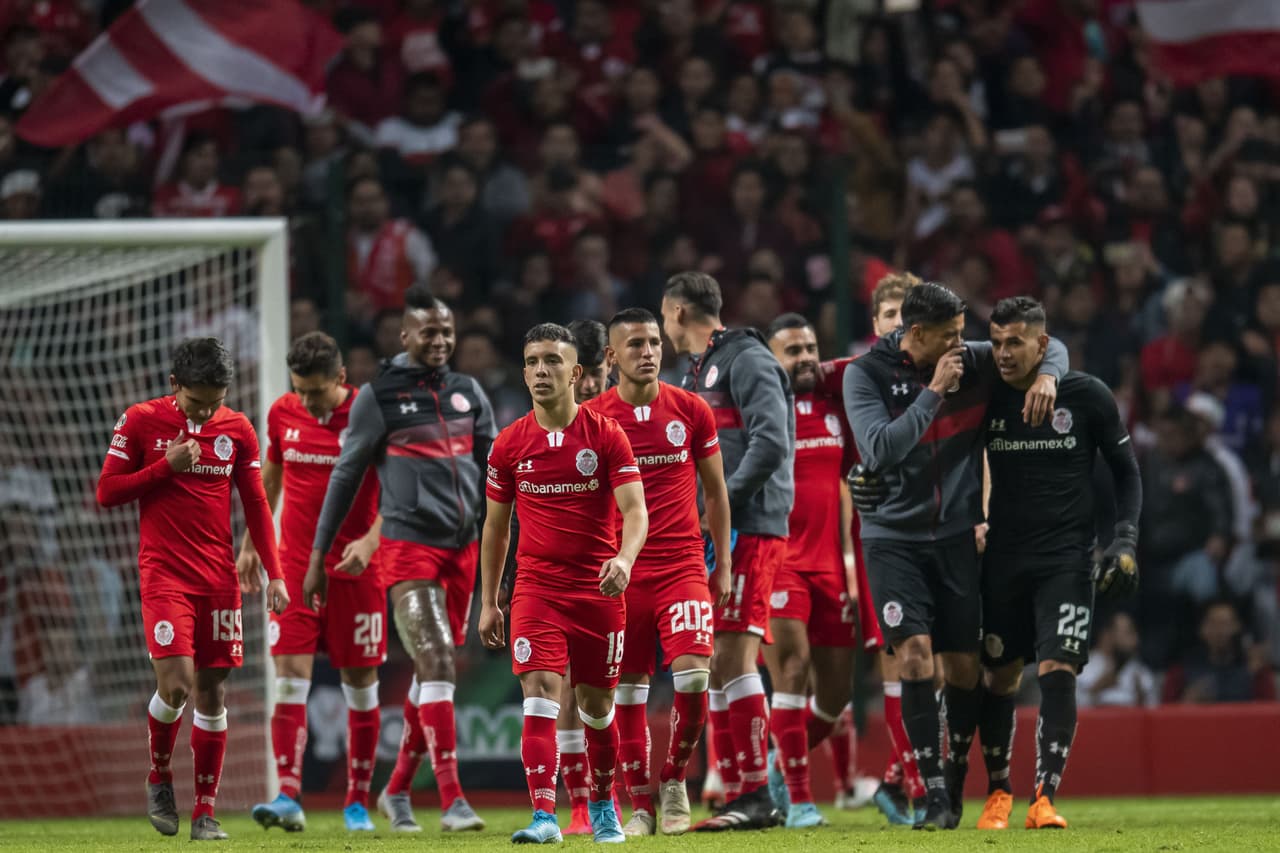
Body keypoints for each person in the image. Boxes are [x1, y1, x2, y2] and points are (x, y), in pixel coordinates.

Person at [844, 282, 1066, 829]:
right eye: (949, 336)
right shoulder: (865, 375)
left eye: (962, 334)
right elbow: (878, 450)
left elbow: (1048, 344)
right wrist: (933, 393)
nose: (960, 345)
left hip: (956, 539)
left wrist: (1048, 375)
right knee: (916, 656)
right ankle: (935, 795)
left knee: (964, 670)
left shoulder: (973, 359)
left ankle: (953, 778)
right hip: (891, 539)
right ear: (916, 334)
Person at [310, 286, 494, 833]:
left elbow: (497, 469)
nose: (439, 341)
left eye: (446, 332)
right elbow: (346, 475)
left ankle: (394, 791)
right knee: (436, 659)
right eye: (428, 332)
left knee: (432, 674)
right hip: (408, 546)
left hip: (464, 548)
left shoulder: (468, 392)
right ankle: (453, 799)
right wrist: (319, 552)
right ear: (406, 336)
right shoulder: (378, 396)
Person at [97, 337, 289, 841]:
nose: (206, 410)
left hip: (218, 577)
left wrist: (276, 573)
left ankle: (205, 812)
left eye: (216, 400)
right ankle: (159, 776)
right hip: (164, 575)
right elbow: (106, 491)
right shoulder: (140, 420)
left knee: (213, 690)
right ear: (174, 385)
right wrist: (164, 468)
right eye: (197, 399)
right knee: (177, 683)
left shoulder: (238, 429)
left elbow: (256, 504)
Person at [975, 296, 1142, 831]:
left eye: (1015, 343)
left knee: (1058, 670)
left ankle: (1043, 796)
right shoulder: (985, 394)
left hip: (1067, 558)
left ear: (1042, 345)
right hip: (1000, 558)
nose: (1003, 353)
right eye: (996, 342)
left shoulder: (1087, 396)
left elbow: (1127, 472)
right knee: (998, 676)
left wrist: (1125, 539)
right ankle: (998, 791)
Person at [478, 322, 649, 844]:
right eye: (531, 362)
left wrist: (624, 558)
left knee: (597, 710)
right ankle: (544, 816)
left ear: (576, 373)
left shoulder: (605, 435)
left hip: (597, 592)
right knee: (539, 694)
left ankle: (602, 805)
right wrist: (490, 601)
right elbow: (495, 527)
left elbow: (636, 510)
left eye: (551, 361)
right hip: (537, 591)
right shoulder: (508, 444)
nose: (540, 371)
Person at [584, 308, 733, 835]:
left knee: (695, 677)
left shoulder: (691, 409)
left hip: (683, 564)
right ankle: (640, 801)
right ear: (611, 357)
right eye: (634, 345)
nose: (647, 352)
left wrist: (724, 565)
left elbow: (715, 492)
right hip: (621, 575)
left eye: (653, 342)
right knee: (627, 691)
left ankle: (673, 780)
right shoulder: (594, 420)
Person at [661, 271, 794, 831]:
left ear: (676, 312)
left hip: (752, 526)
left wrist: (720, 504)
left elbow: (771, 442)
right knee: (717, 659)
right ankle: (737, 788)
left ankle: (759, 794)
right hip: (721, 529)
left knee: (736, 656)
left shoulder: (748, 359)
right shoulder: (702, 369)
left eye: (663, 317)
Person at [243, 333, 385, 833]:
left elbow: (402, 491)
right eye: (300, 390)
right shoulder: (283, 413)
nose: (306, 401)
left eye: (316, 392)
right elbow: (271, 482)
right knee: (288, 680)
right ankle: (287, 795)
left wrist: (371, 541)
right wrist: (249, 545)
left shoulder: (372, 415)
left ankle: (357, 802)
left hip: (357, 568)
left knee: (361, 685)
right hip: (295, 567)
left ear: (341, 380)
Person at [815, 272, 927, 825]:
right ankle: (908, 782)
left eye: (908, 316)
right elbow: (797, 375)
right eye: (889, 316)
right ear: (876, 324)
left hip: (944, 523)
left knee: (944, 659)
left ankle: (898, 778)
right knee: (896, 655)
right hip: (878, 531)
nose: (899, 325)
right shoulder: (856, 374)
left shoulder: (944, 367)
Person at [763, 313, 858, 829]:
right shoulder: (762, 412)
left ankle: (776, 766)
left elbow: (848, 490)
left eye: (809, 348)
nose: (803, 358)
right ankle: (799, 799)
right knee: (793, 672)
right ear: (772, 359)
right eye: (791, 350)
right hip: (780, 564)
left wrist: (848, 557)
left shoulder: (835, 409)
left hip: (830, 568)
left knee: (837, 695)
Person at [552, 318, 611, 835]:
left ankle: (637, 797)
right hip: (575, 575)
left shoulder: (617, 423)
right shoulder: (553, 424)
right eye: (580, 371)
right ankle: (579, 804)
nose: (587, 383)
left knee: (621, 690)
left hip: (635, 565)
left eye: (594, 371)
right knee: (572, 688)